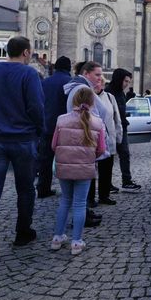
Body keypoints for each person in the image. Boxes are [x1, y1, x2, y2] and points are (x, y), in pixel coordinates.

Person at [0, 36, 45, 266]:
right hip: (23, 139)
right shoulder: (28, 74)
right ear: (25, 52)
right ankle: (22, 232)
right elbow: (36, 106)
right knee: (25, 189)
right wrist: (39, 130)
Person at [50, 87, 106, 255]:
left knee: (65, 201)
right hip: (85, 167)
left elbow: (53, 145)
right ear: (92, 102)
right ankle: (76, 242)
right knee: (80, 204)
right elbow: (101, 149)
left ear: (74, 101)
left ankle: (57, 238)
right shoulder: (97, 122)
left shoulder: (61, 120)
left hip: (64, 166)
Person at [63, 61, 111, 226]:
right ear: (86, 73)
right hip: (84, 138)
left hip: (81, 138)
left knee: (84, 180)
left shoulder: (78, 87)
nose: (100, 78)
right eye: (97, 75)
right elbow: (99, 112)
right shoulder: (82, 89)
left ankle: (84, 213)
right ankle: (81, 218)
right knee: (83, 180)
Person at [37, 56, 72, 198]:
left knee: (45, 160)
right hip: (66, 128)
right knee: (68, 160)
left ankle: (43, 188)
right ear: (68, 68)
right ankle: (69, 190)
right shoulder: (70, 83)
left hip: (47, 126)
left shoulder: (45, 82)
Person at [106, 68, 142, 191]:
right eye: (125, 81)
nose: (127, 84)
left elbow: (120, 109)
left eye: (129, 82)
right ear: (119, 79)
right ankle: (107, 184)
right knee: (108, 157)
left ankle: (126, 181)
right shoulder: (107, 92)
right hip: (110, 128)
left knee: (125, 154)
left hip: (122, 127)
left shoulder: (121, 92)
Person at [93, 76, 122, 205]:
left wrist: (118, 136)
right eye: (95, 82)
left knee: (106, 170)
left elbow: (117, 118)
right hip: (92, 140)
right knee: (90, 171)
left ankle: (104, 196)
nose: (98, 85)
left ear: (104, 85)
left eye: (100, 82)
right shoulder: (88, 96)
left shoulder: (110, 97)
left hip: (108, 140)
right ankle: (90, 197)